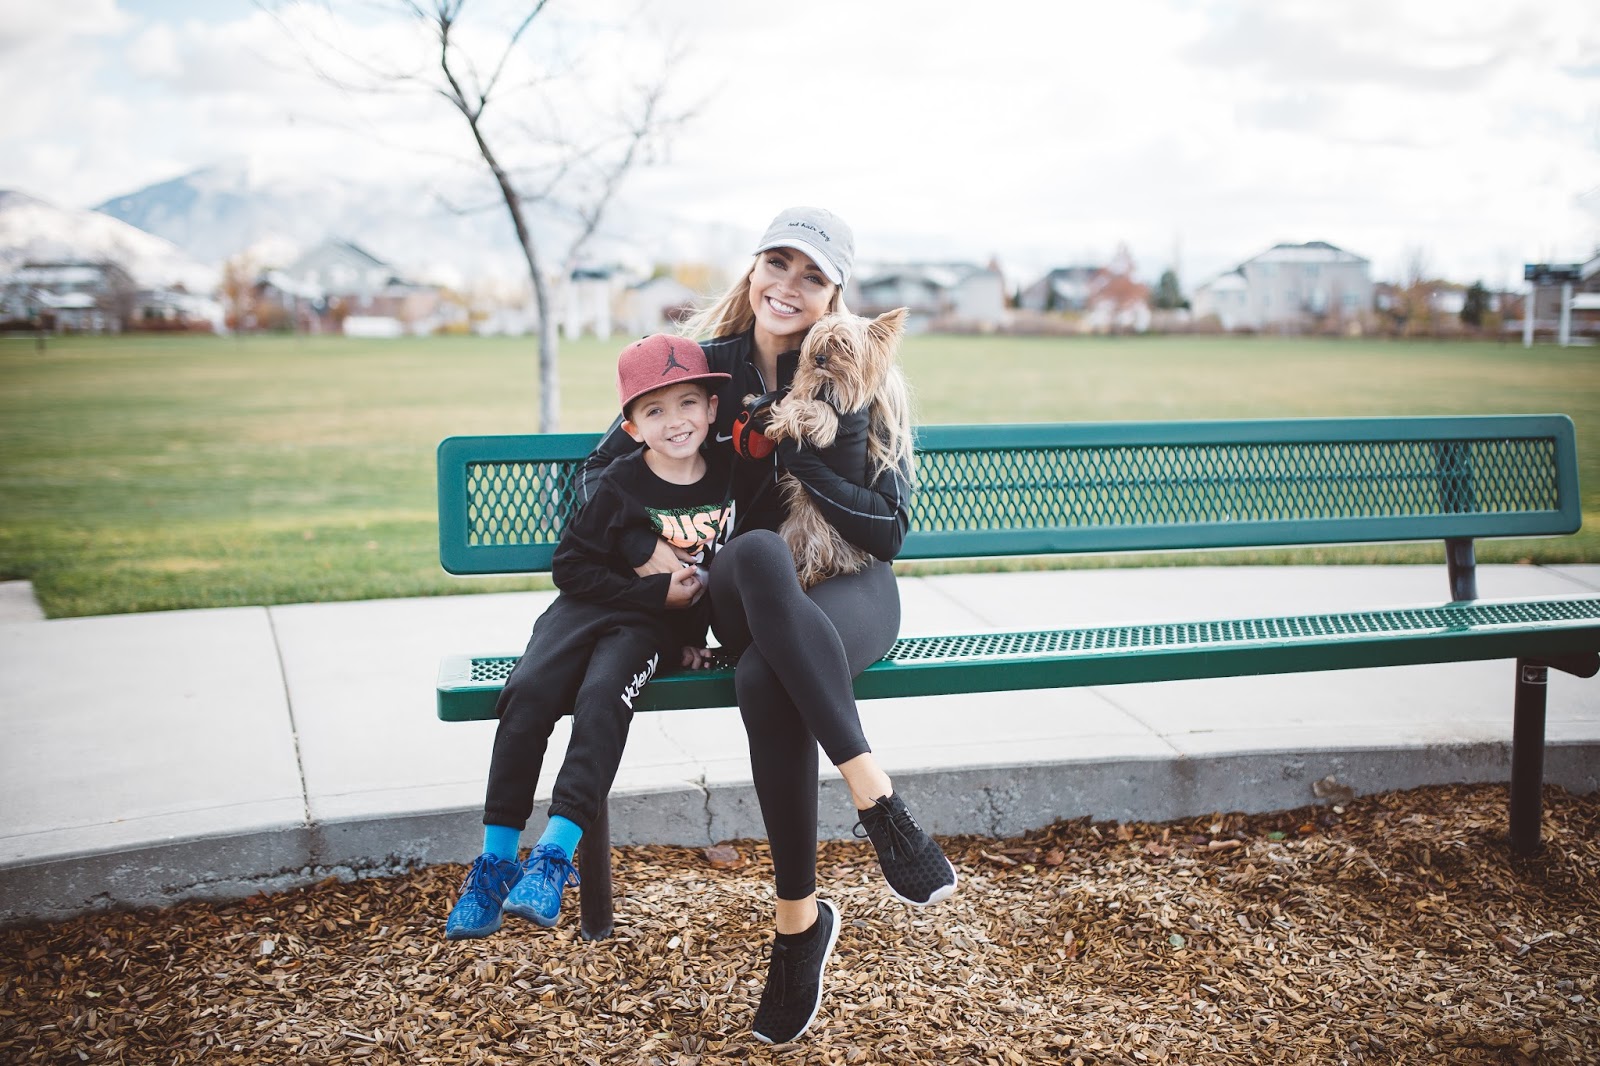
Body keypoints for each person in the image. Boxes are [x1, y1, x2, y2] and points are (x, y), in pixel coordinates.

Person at [578, 207, 958, 1043]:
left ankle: (797, 927)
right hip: (742, 592)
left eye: (812, 275)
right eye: (776, 264)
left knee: (763, 679)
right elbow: (594, 480)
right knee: (752, 550)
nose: (789, 286)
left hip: (849, 586)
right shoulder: (701, 370)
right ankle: (879, 801)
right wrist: (650, 544)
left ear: (835, 295)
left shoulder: (858, 371)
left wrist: (805, 459)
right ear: (752, 270)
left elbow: (888, 532)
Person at [445, 334, 733, 940]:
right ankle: (497, 862)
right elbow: (571, 568)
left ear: (712, 408)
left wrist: (681, 635)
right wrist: (653, 595)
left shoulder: (733, 479)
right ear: (631, 427)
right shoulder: (620, 481)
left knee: (604, 698)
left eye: (687, 403)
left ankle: (554, 854)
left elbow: (724, 572)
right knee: (527, 694)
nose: (675, 421)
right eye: (654, 410)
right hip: (582, 611)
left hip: (647, 630)